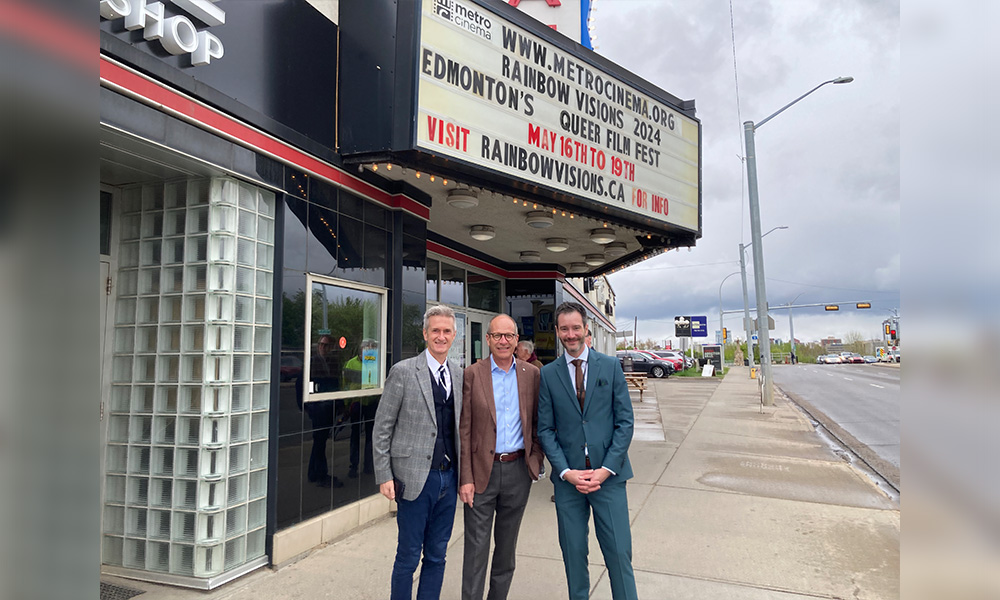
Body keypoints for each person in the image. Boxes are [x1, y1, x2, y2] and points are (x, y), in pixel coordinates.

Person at [538, 302, 637, 600]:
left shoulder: (610, 366)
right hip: (570, 482)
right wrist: (566, 472)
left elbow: (625, 423)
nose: (571, 334)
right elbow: (545, 429)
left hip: (608, 477)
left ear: (586, 329)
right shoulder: (548, 374)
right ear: (557, 332)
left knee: (619, 554)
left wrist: (607, 469)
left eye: (576, 327)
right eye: (564, 329)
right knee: (573, 553)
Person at [373, 305, 463, 600]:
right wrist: (384, 474)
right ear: (425, 334)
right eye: (435, 330)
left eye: (446, 331)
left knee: (437, 555)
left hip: (448, 479)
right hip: (413, 479)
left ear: (454, 335)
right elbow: (382, 427)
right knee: (408, 556)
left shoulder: (459, 375)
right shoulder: (402, 371)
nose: (441, 336)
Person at [459, 315, 543, 600]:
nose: (503, 341)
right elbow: (465, 430)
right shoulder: (472, 374)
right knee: (476, 551)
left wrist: (535, 460)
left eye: (509, 336)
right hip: (483, 473)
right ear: (488, 339)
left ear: (517, 340)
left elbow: (538, 424)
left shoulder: (531, 374)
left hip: (518, 471)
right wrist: (466, 478)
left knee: (506, 551)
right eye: (497, 336)